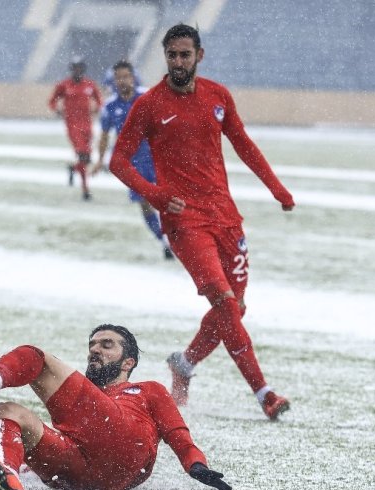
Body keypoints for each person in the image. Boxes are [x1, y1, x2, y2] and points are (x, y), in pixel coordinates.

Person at [108, 24, 294, 420]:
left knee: (235, 307)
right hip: (184, 222)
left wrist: (277, 189)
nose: (178, 62)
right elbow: (118, 161)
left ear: (199, 56)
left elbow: (244, 144)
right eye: (172, 55)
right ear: (165, 57)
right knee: (225, 303)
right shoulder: (150, 105)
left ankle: (185, 364)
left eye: (184, 55)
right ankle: (264, 393)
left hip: (226, 217)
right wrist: (155, 194)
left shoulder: (217, 96)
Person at [0, 324, 231, 490]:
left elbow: (178, 433)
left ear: (129, 362)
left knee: (36, 358)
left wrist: (196, 465)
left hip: (124, 450)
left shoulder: (148, 389)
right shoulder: (80, 408)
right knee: (8, 413)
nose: (94, 350)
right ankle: (9, 478)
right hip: (79, 478)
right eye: (92, 345)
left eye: (106, 345)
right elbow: (35, 454)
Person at [92, 60, 173, 260]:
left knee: (171, 200)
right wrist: (100, 160)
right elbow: (104, 135)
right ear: (114, 80)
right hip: (132, 164)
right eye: (118, 77)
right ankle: (164, 240)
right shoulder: (110, 107)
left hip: (157, 157)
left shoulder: (147, 97)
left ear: (133, 77)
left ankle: (180, 236)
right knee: (145, 204)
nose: (122, 80)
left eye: (126, 76)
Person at [48, 57, 102, 200]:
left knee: (86, 158)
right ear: (71, 69)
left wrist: (98, 108)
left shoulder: (90, 85)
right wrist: (57, 109)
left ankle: (74, 168)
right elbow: (52, 101)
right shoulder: (64, 85)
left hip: (87, 126)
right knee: (83, 155)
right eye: (74, 68)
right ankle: (85, 190)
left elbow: (99, 100)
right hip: (73, 126)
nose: (77, 71)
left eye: (80, 68)